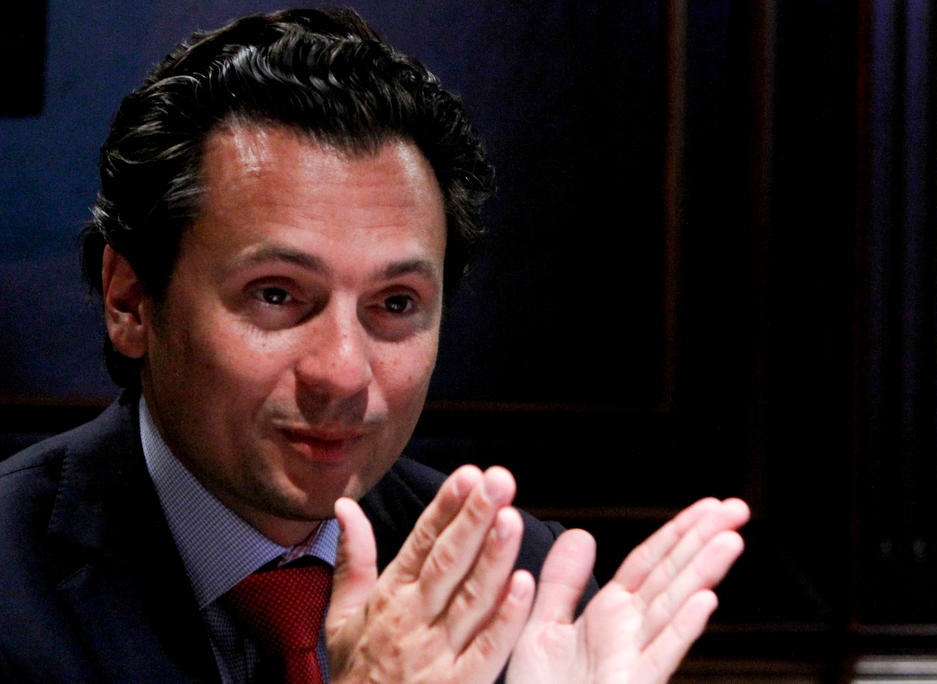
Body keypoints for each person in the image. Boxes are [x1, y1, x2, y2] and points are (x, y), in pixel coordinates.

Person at [0, 7, 749, 683]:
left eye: (395, 305)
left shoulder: (523, 590)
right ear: (130, 300)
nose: (343, 373)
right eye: (276, 294)